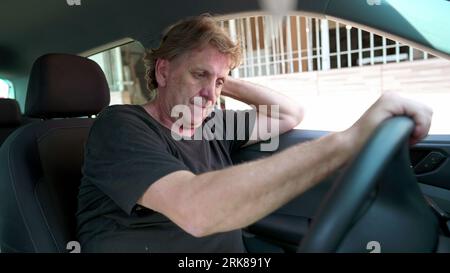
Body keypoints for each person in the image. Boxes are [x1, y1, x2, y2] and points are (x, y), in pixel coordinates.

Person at [76, 15, 433, 253]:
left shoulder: (212, 123)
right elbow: (196, 209)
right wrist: (347, 141)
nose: (211, 94)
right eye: (198, 75)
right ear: (164, 71)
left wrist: (219, 78)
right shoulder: (120, 126)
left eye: (218, 82)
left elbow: (289, 113)